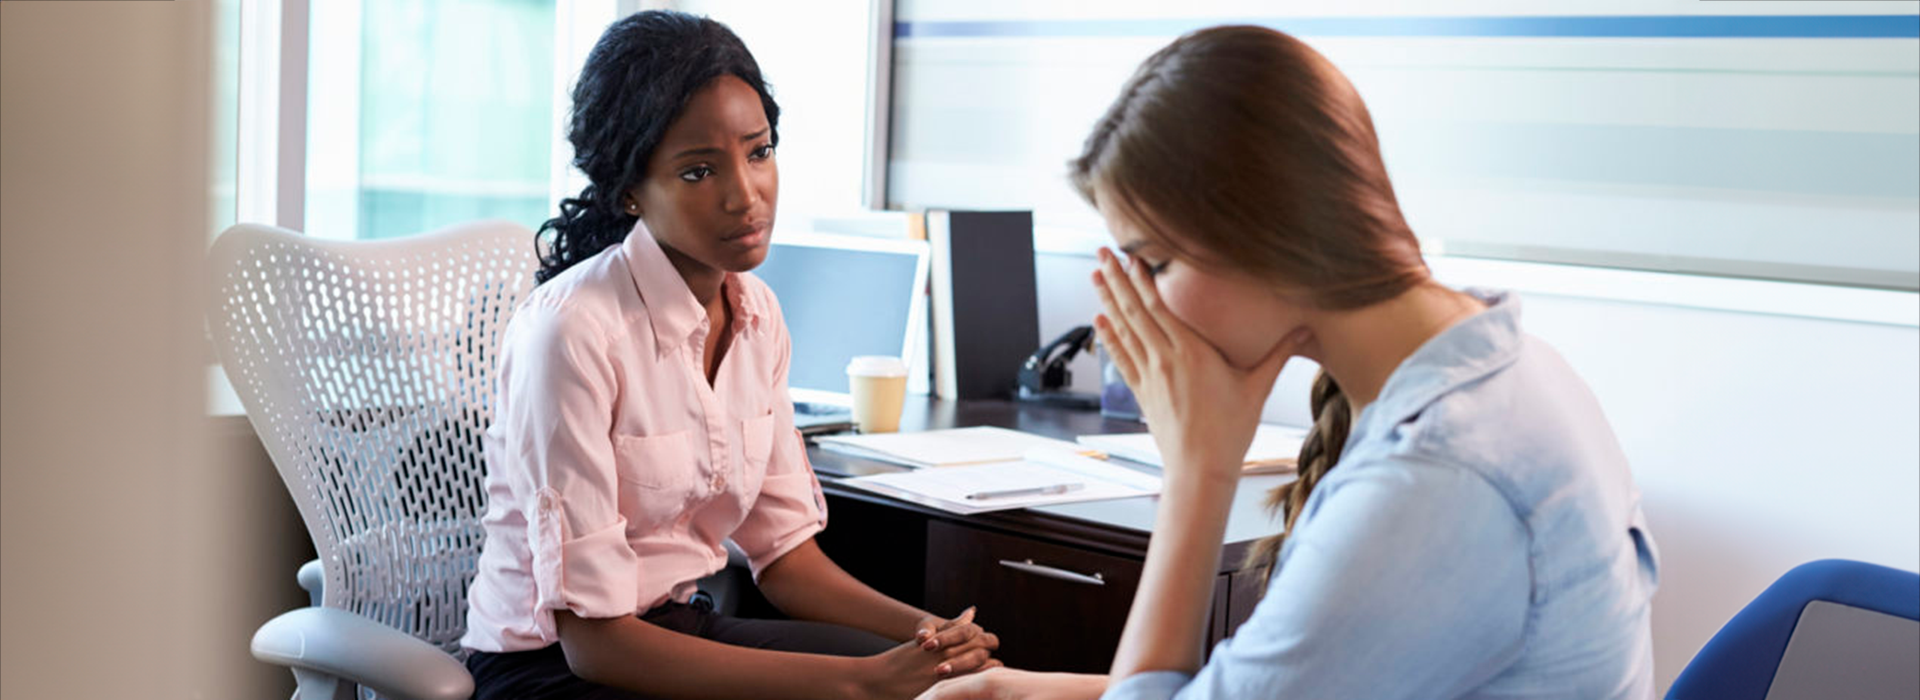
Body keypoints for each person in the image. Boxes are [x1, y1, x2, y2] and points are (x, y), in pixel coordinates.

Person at [922, 24, 1659, 700]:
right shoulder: (1509, 363)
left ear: (1267, 231)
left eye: (1155, 264)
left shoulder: (1432, 480)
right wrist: (1006, 690)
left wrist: (1198, 475)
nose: (1139, 317)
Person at [461, 12, 998, 700]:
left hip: (676, 629)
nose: (746, 195)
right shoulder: (573, 332)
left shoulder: (758, 315)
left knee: (946, 686)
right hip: (551, 671)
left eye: (759, 152)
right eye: (699, 171)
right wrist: (862, 683)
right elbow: (594, 644)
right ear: (629, 190)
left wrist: (929, 632)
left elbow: (785, 559)